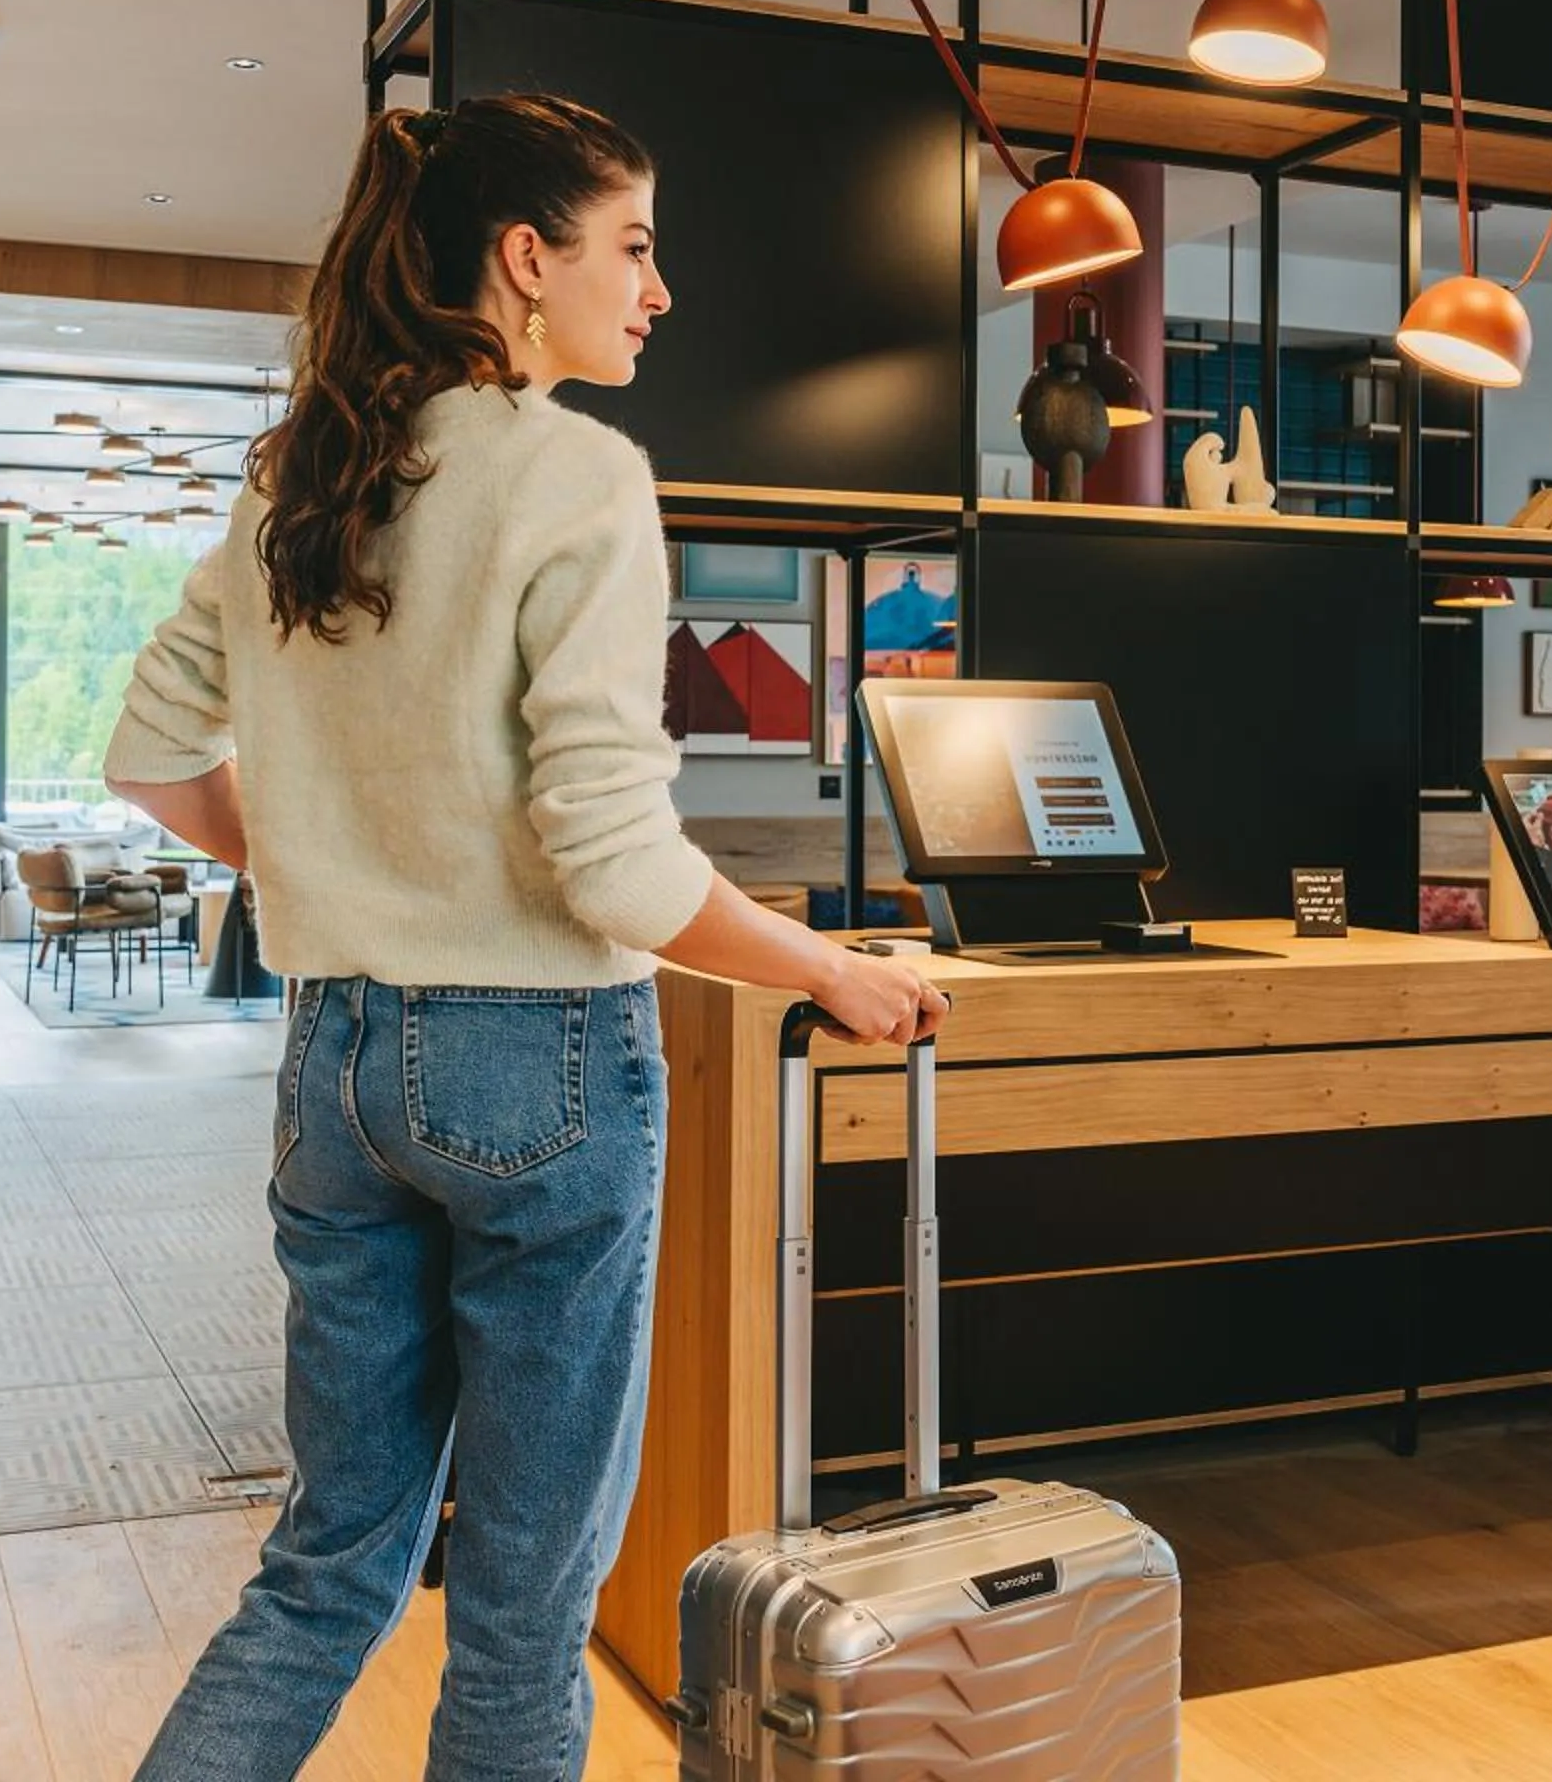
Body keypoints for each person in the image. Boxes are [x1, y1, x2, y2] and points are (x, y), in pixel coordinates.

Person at [104, 92, 949, 1782]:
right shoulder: (575, 475)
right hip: (537, 1066)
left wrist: (342, 867)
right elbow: (618, 870)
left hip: (334, 1065)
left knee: (328, 1566)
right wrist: (841, 970)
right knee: (519, 1612)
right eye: (630, 246)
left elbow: (148, 759)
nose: (658, 290)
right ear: (523, 257)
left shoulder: (308, 473)